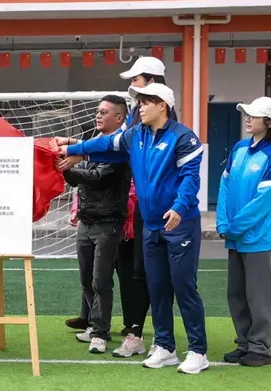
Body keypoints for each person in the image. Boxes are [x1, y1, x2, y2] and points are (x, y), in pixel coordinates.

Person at [59, 83, 209, 375]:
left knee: (184, 287)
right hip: (151, 225)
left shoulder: (184, 138)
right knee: (157, 287)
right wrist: (73, 150)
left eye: (145, 102)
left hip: (180, 224)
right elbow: (104, 145)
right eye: (138, 103)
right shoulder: (135, 135)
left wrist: (179, 207)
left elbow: (191, 178)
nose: (139, 108)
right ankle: (164, 346)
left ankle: (198, 350)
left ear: (162, 105)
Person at [58, 96, 132, 354]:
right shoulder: (91, 144)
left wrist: (65, 166)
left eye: (104, 112)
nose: (98, 115)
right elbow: (78, 180)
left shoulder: (119, 148)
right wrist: (65, 166)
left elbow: (97, 177)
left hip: (108, 223)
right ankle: (93, 324)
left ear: (120, 118)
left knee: (101, 280)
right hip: (87, 221)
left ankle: (101, 333)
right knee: (87, 278)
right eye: (97, 111)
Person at [216, 97, 271, 367]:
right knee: (236, 294)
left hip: (258, 238)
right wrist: (222, 222)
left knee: (260, 296)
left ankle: (261, 348)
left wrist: (234, 226)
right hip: (235, 236)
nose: (247, 118)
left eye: (253, 115)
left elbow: (263, 200)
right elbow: (224, 185)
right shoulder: (239, 148)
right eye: (247, 114)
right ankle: (244, 343)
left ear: (269, 122)